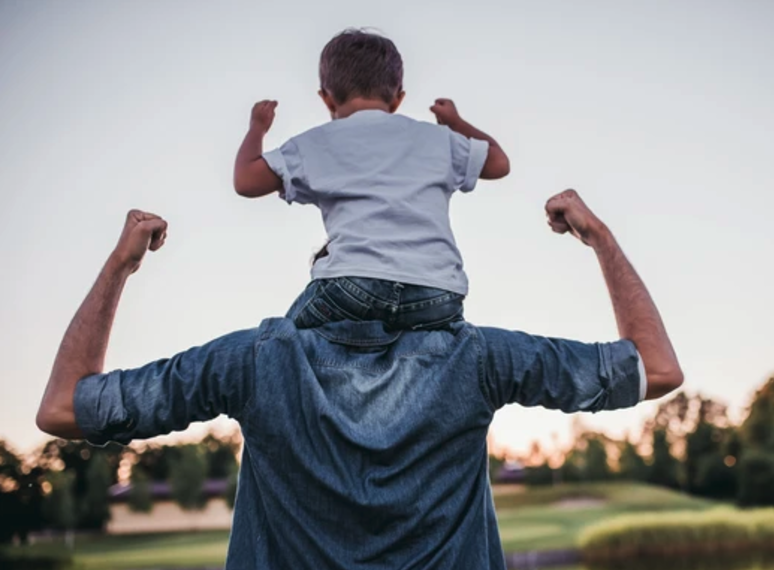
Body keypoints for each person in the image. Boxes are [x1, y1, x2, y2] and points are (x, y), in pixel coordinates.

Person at [36, 189, 683, 569]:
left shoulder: (256, 361)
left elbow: (64, 408)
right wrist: (599, 237)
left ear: (322, 273)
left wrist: (121, 265)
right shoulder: (477, 358)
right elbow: (656, 368)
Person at [233, 29, 511, 331]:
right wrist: (455, 123)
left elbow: (246, 181)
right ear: (398, 99)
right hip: (438, 293)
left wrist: (257, 128)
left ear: (326, 99)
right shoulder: (436, 139)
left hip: (353, 287)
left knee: (282, 342)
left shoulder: (316, 143)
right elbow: (499, 163)